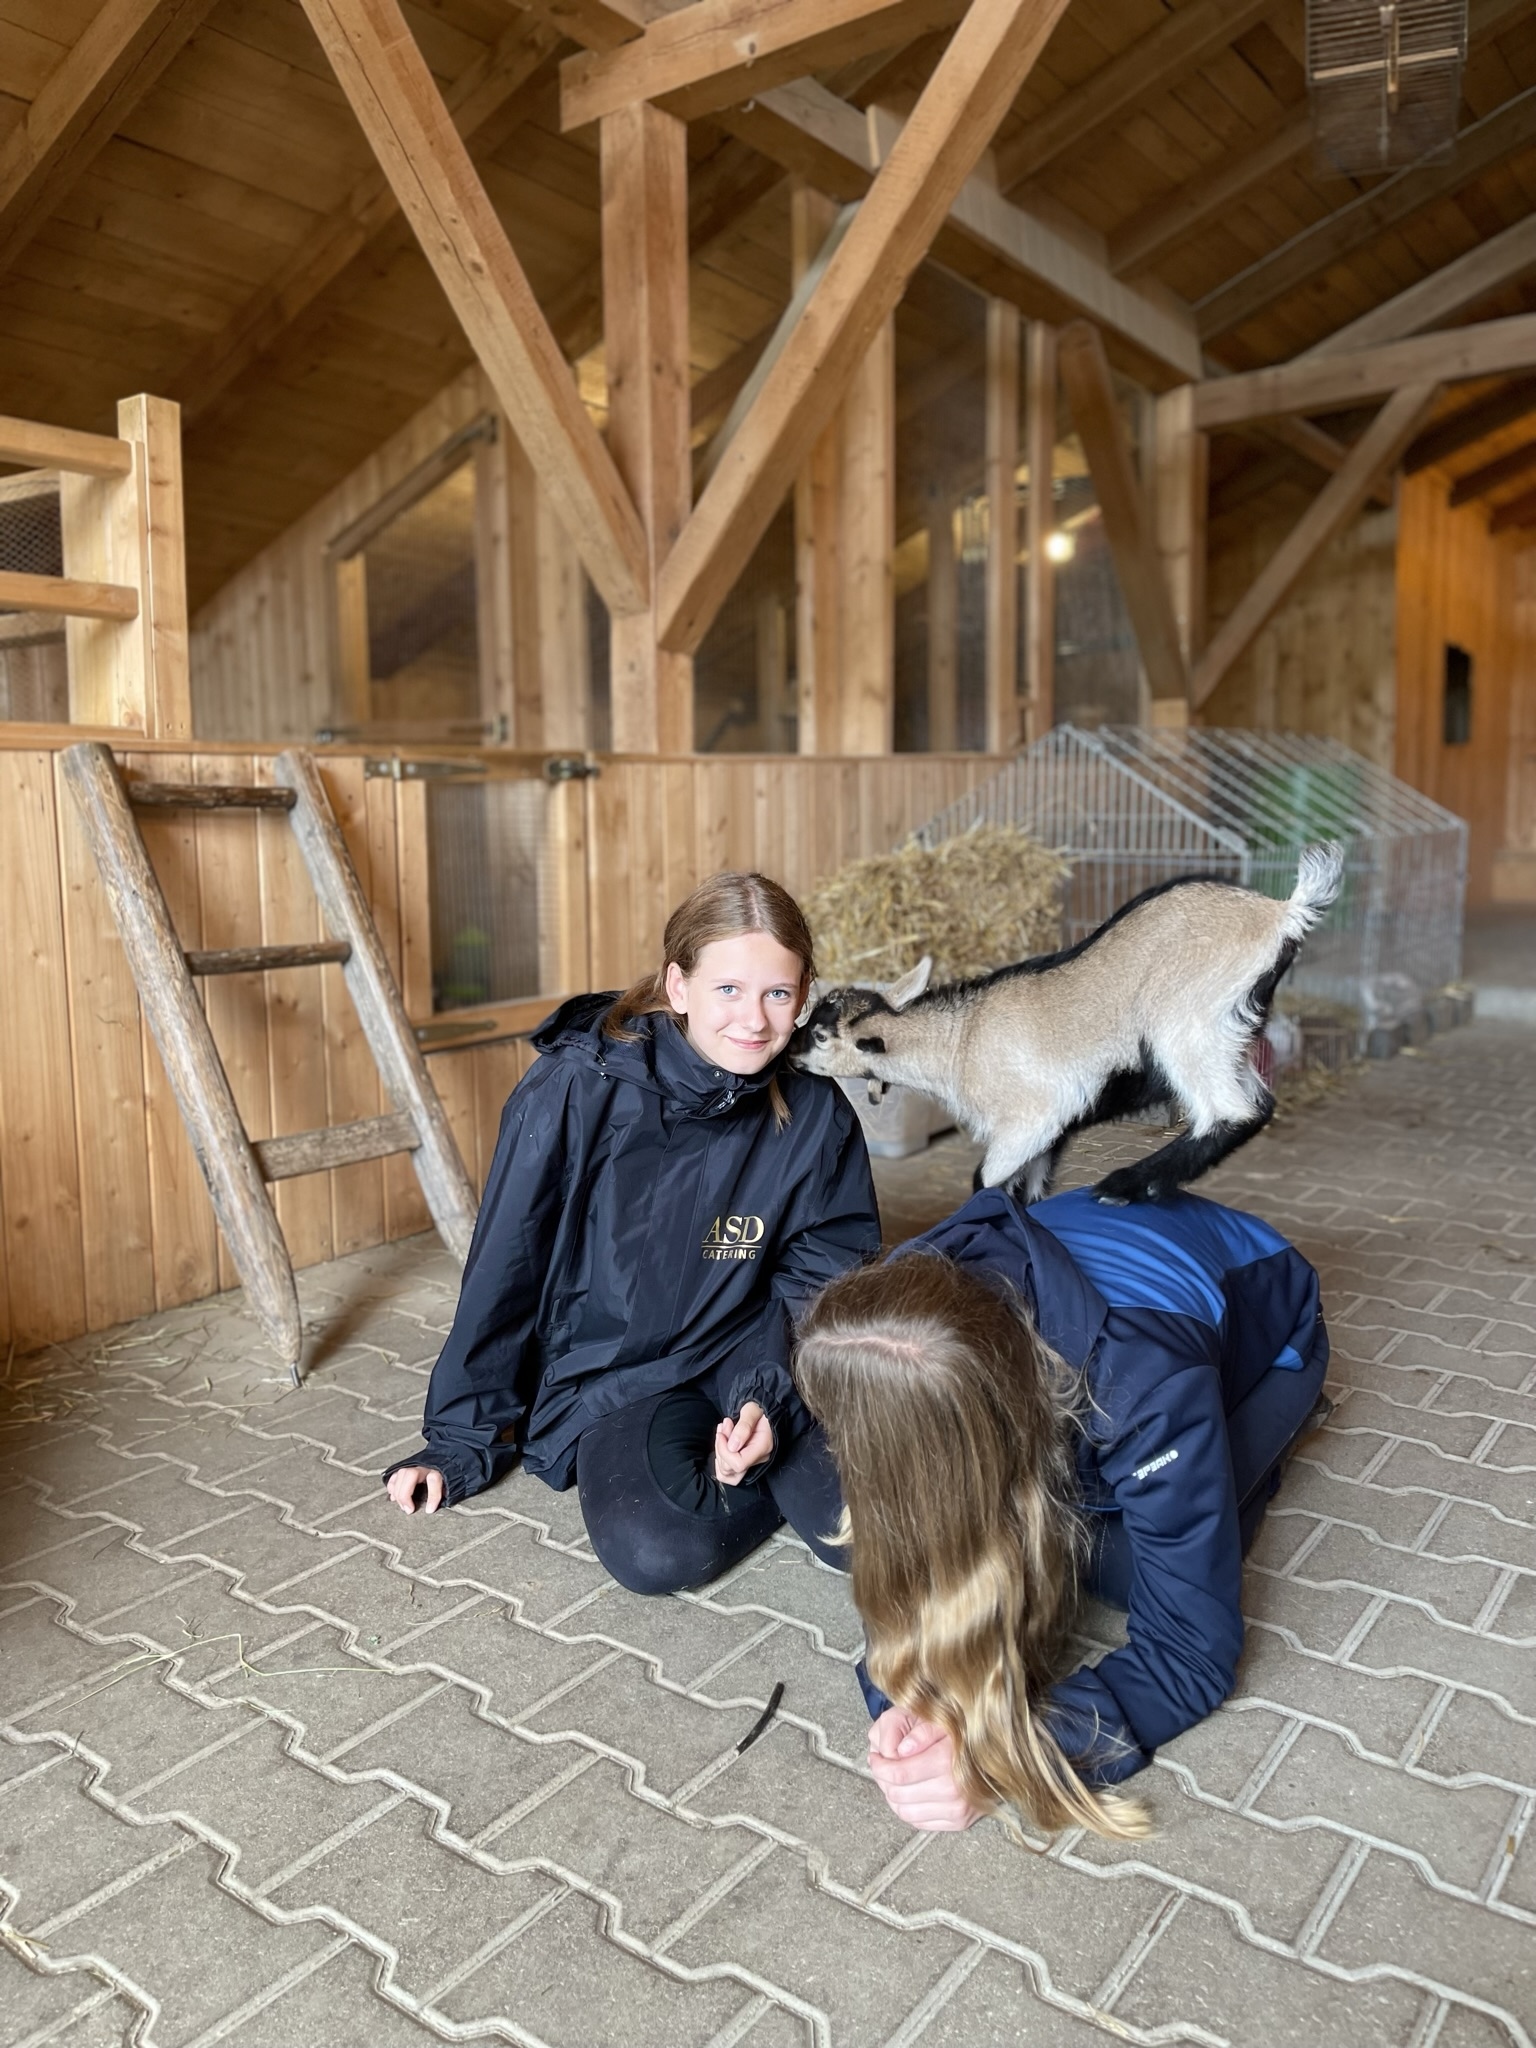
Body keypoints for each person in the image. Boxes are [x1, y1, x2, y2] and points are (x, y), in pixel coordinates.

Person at [384, 871, 879, 1598]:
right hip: (627, 1371)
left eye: (778, 993)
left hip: (760, 1345)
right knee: (656, 1552)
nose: (755, 1020)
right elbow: (506, 1271)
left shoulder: (815, 1110)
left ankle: (770, 1455)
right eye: (728, 990)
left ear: (803, 994)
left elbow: (826, 1274)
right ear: (678, 987)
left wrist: (770, 1400)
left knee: (867, 1531)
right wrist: (460, 1442)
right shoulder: (577, 1088)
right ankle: (765, 1471)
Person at [794, 1182, 1330, 1839]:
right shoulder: (881, 1328)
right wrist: (906, 1696)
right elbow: (908, 1514)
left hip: (1268, 1305)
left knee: (1126, 1565)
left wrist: (1004, 1760)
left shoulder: (1145, 1383)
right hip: (1100, 1244)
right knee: (1058, 1524)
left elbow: (1191, 1653)